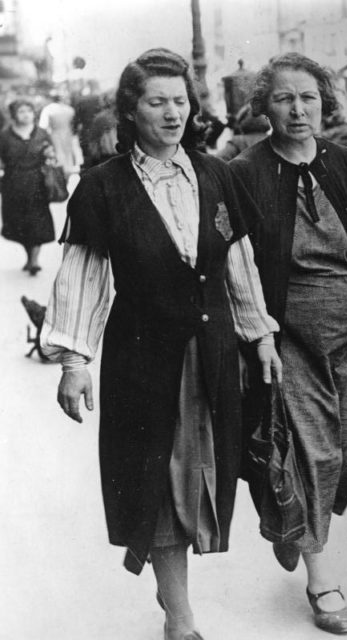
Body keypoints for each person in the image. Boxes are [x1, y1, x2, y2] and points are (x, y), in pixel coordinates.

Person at [40, 48, 281, 640]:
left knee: (207, 472)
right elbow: (85, 276)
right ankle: (181, 615)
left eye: (180, 101)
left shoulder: (217, 174)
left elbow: (238, 263)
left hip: (216, 353)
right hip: (144, 359)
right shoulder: (103, 188)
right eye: (157, 102)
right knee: (161, 479)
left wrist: (261, 334)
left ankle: (194, 579)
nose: (173, 113)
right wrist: (74, 361)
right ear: (131, 110)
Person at [230, 52, 347, 635]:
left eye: (307, 96)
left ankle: (292, 521)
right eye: (284, 98)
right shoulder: (246, 171)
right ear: (266, 107)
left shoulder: (345, 162)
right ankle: (320, 577)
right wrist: (259, 337)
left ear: (323, 101)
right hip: (288, 343)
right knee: (312, 458)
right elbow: (239, 266)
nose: (298, 108)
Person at [0, 99, 55, 274]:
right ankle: (29, 256)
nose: (26, 114)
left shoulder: (42, 133)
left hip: (37, 184)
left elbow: (51, 154)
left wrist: (50, 156)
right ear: (14, 114)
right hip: (12, 185)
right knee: (18, 223)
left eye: (29, 111)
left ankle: (34, 260)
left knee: (37, 221)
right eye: (21, 111)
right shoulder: (4, 136)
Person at [39, 90, 77, 179]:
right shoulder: (69, 109)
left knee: (58, 154)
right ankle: (67, 174)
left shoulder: (48, 109)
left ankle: (62, 175)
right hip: (67, 133)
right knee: (67, 154)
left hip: (54, 134)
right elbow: (73, 122)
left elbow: (43, 125)